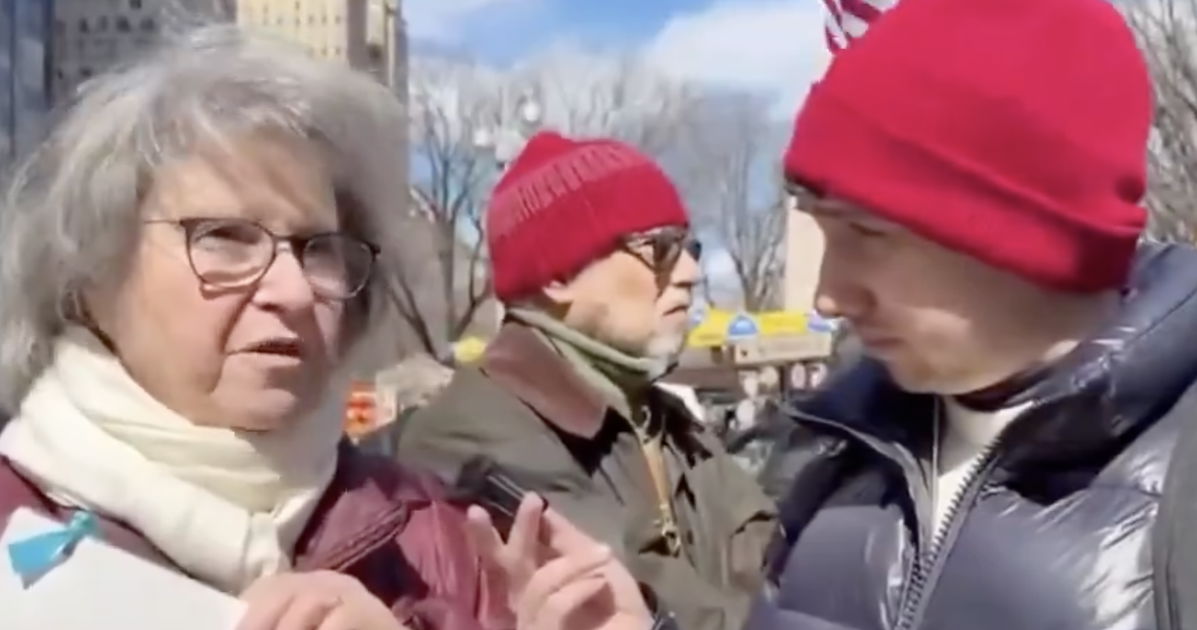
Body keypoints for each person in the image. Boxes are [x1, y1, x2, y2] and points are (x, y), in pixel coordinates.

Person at [0, 27, 628, 630]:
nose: (294, 291)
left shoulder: (456, 545)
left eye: (318, 249)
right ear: (89, 274)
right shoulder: (15, 520)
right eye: (224, 237)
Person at [746, 0, 1197, 628]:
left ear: (1027, 240)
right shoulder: (835, 455)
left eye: (867, 234)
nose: (830, 295)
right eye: (825, 232)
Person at [398, 131, 778, 630]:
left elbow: (772, 557)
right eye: (659, 249)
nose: (689, 272)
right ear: (558, 274)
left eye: (689, 248)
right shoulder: (469, 430)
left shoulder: (664, 418)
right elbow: (620, 589)